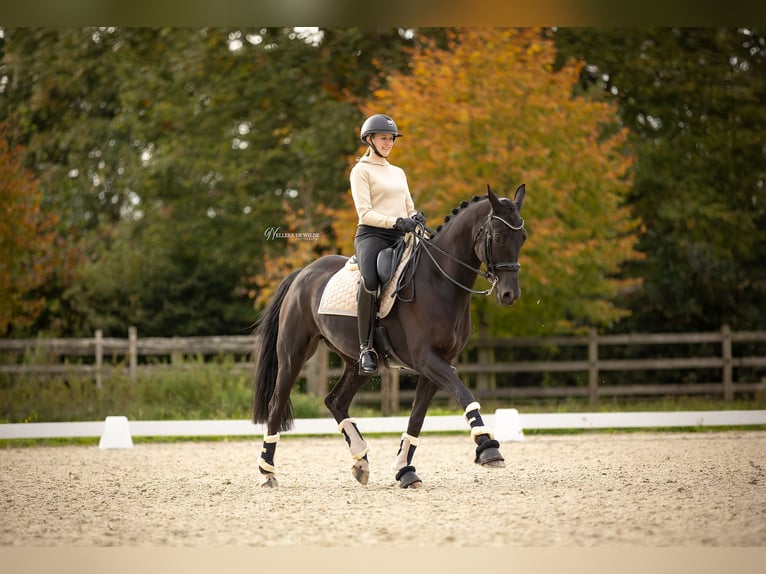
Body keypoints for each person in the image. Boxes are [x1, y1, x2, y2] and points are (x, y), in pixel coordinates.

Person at [350, 113, 426, 375]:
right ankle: (365, 348)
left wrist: (416, 218)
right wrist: (396, 222)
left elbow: (409, 207)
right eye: (383, 138)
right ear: (369, 139)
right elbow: (365, 213)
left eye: (391, 138)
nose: (388, 143)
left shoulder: (398, 172)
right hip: (373, 236)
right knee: (371, 279)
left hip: (401, 235)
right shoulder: (360, 171)